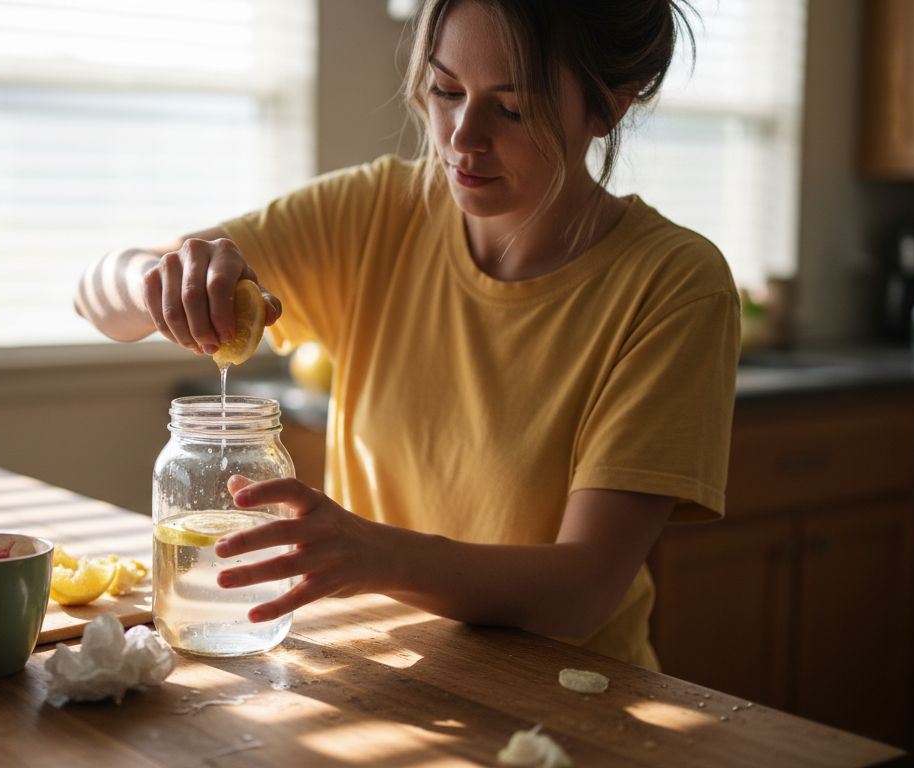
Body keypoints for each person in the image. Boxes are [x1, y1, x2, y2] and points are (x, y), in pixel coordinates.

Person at [74, 0, 736, 670]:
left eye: (511, 109)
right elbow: (95, 297)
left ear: (611, 104)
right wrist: (156, 279)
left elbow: (584, 590)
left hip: (573, 697)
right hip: (381, 672)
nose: (461, 137)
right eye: (446, 90)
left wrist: (378, 555)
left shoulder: (674, 283)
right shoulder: (374, 214)